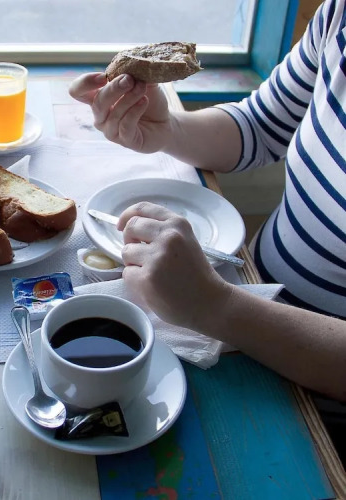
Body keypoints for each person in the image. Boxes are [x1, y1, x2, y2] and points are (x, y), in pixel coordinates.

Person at [69, 0, 346, 455]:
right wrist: (167, 129)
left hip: (316, 400)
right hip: (246, 288)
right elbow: (261, 127)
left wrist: (216, 306)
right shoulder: (338, 16)